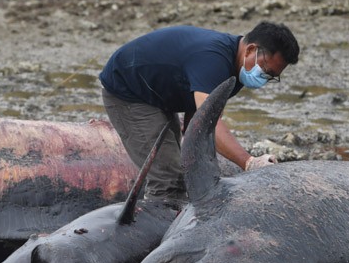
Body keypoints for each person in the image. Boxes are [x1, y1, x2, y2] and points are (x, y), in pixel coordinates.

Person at [99, 22, 299, 206]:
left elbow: (197, 126)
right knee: (168, 178)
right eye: (265, 71)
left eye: (271, 77)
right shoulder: (213, 60)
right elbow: (208, 123)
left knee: (184, 170)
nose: (264, 79)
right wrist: (249, 162)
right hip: (128, 91)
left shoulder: (236, 68)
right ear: (251, 50)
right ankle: (159, 232)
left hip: (159, 93)